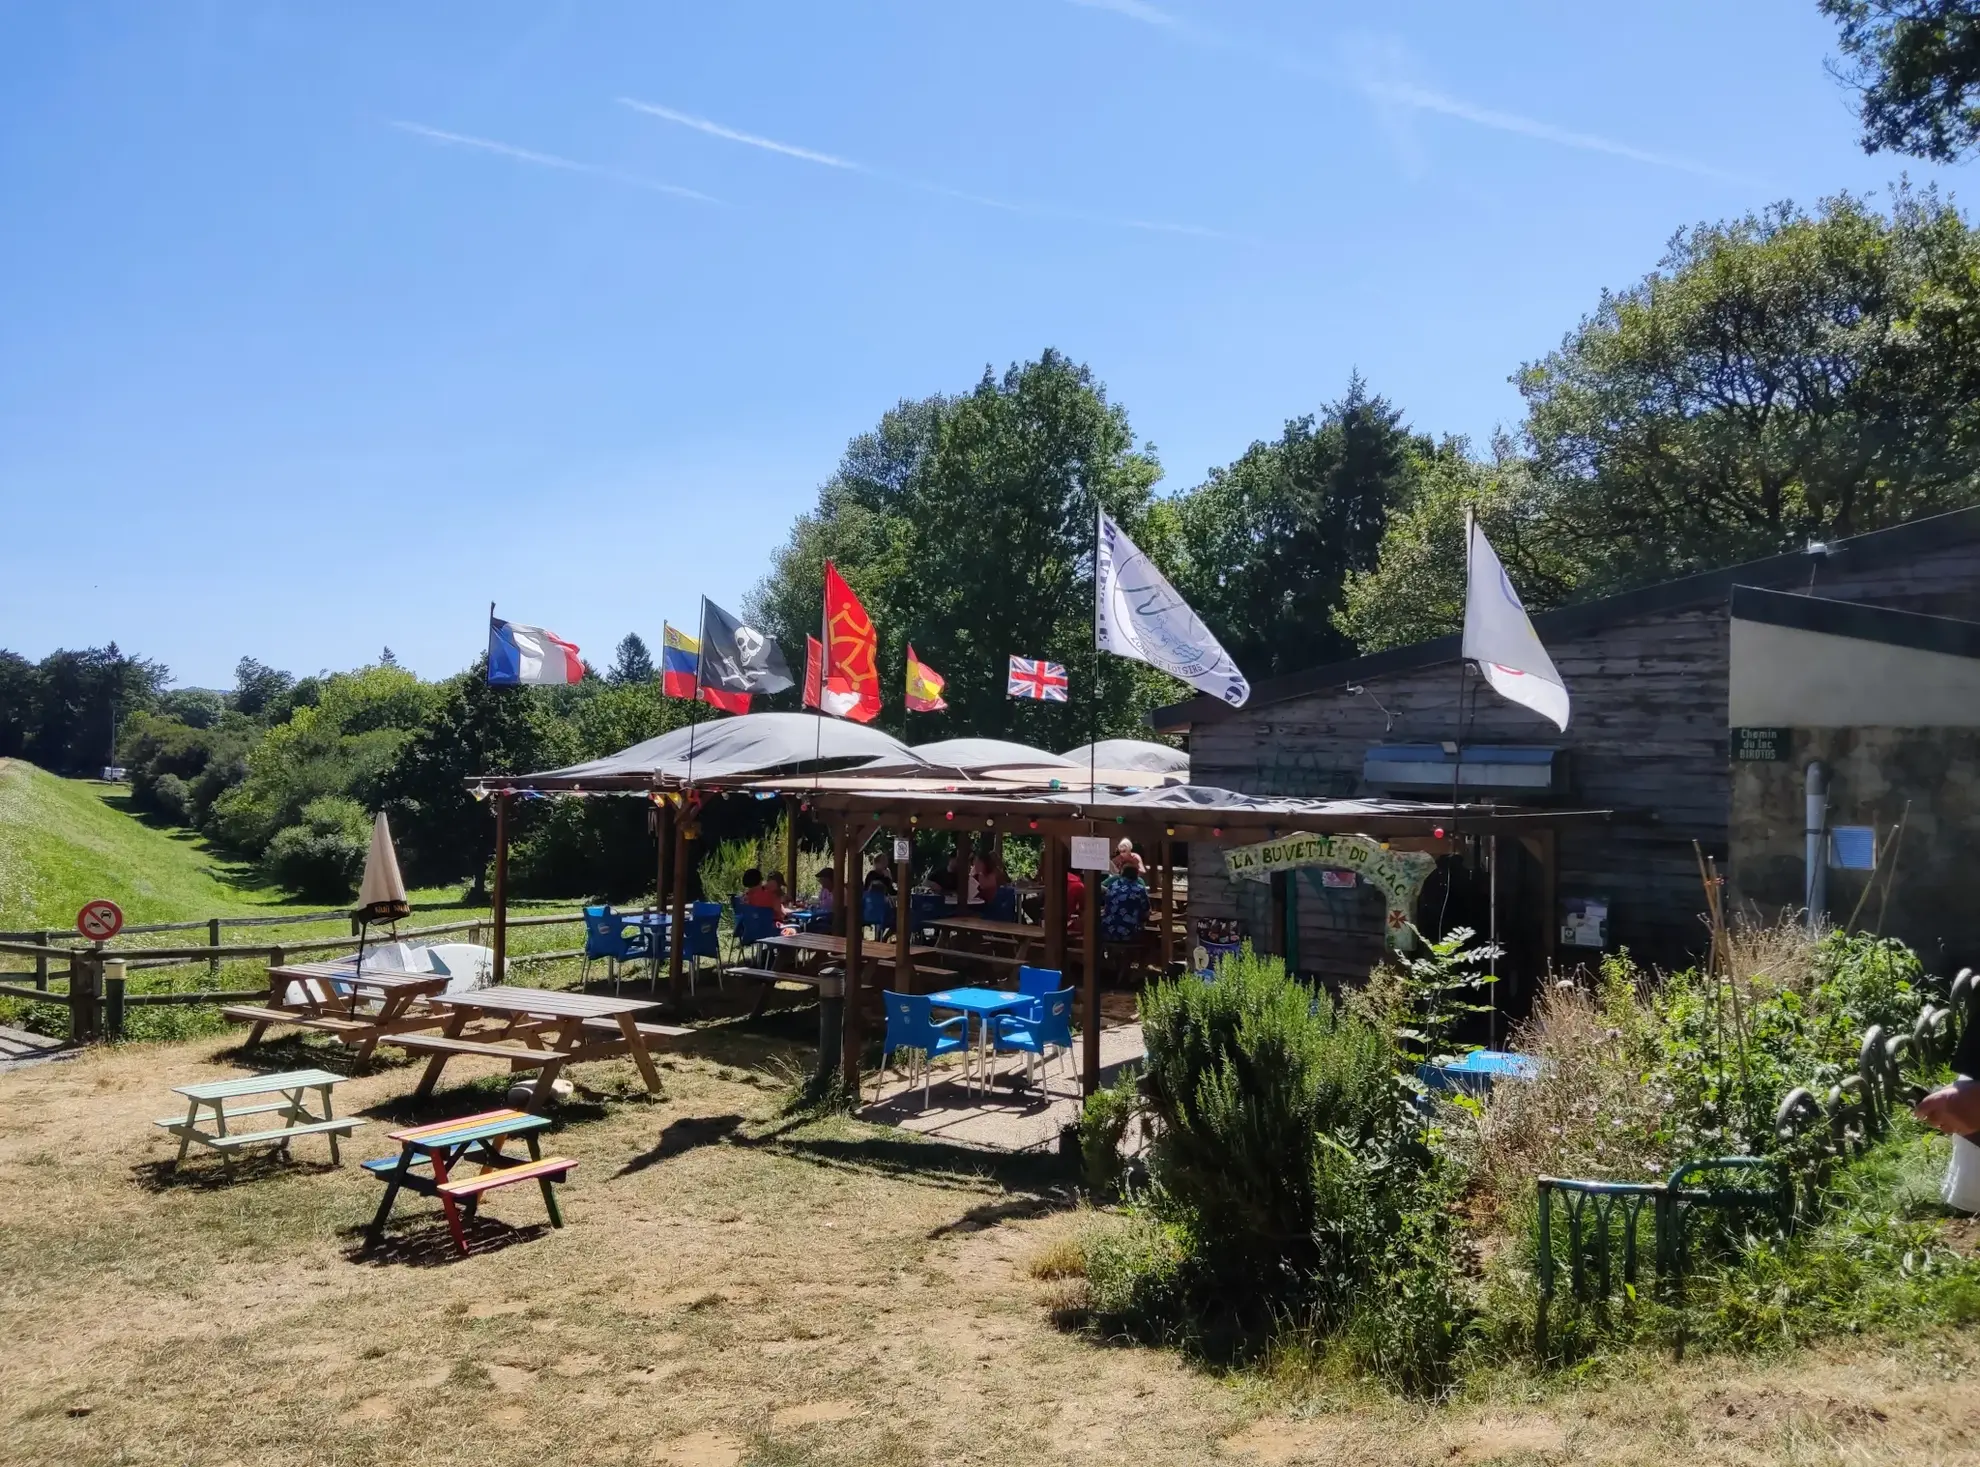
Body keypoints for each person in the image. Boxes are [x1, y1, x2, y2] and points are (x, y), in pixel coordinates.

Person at [1099, 854, 1150, 944]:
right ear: (1136, 875)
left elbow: (1107, 905)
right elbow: (1146, 912)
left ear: (1122, 873)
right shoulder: (1140, 889)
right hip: (1130, 933)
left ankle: (1112, 955)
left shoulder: (1113, 886)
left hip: (1107, 930)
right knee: (1149, 937)